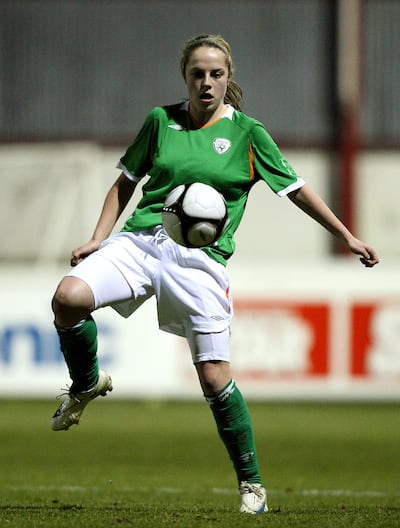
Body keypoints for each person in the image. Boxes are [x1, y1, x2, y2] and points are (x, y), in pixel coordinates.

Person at [50, 34, 379, 514]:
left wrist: (346, 235)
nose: (207, 83)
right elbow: (125, 181)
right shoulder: (160, 121)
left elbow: (297, 190)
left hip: (201, 261)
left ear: (229, 77)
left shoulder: (248, 133)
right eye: (198, 74)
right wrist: (99, 237)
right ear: (185, 76)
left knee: (213, 377)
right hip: (142, 241)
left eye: (216, 74)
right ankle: (85, 384)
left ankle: (252, 486)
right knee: (69, 296)